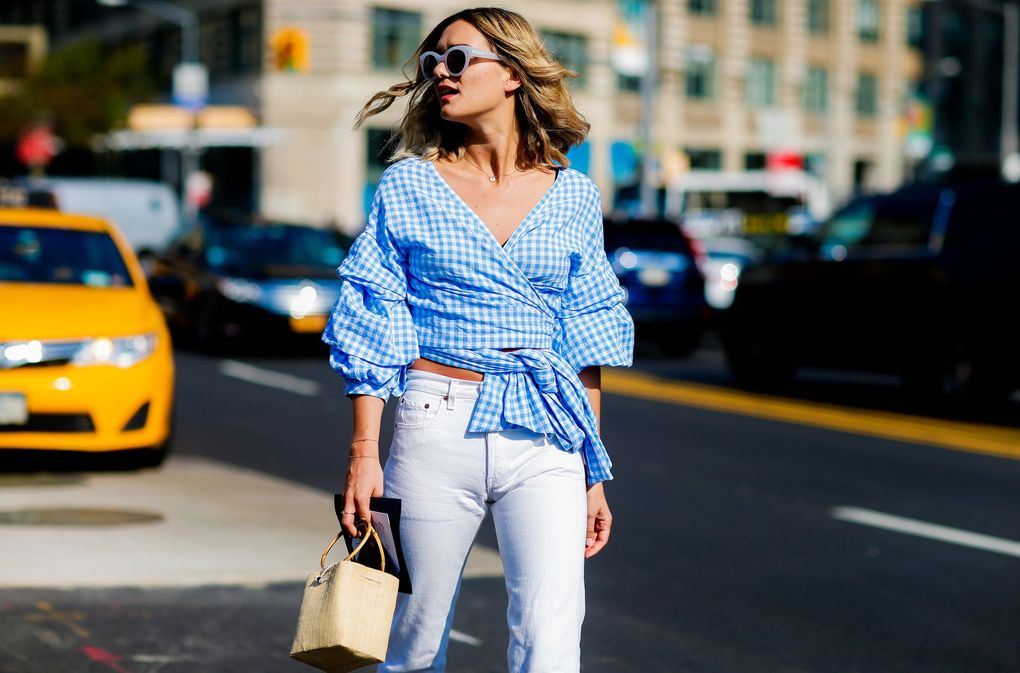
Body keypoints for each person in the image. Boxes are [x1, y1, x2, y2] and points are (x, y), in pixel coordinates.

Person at [323, 7, 634, 673]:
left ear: (514, 74)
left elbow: (586, 334)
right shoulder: (409, 183)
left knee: (551, 642)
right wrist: (362, 453)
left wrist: (590, 470)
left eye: (458, 59)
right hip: (436, 422)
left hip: (548, 429)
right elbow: (374, 314)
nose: (440, 73)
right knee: (412, 640)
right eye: (433, 62)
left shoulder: (574, 195)